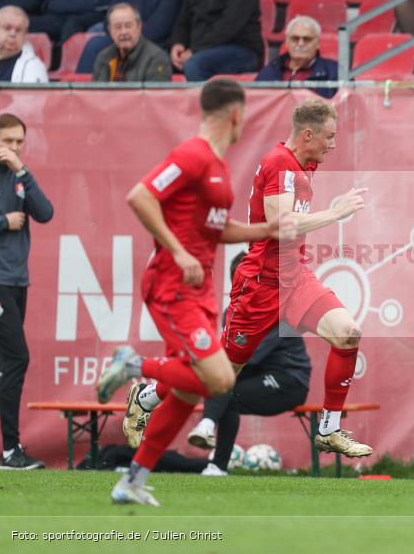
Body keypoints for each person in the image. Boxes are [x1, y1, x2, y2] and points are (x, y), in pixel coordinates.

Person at [123, 98, 372, 460]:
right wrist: (334, 214)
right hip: (260, 284)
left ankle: (329, 429)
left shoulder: (305, 161)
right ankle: (145, 398)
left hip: (296, 277)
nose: (333, 144)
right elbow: (280, 224)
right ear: (307, 135)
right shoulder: (278, 164)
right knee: (220, 372)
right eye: (329, 137)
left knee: (348, 334)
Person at [94, 79, 297, 506]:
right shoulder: (192, 155)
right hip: (174, 286)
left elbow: (216, 229)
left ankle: (131, 481)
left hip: (200, 291)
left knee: (188, 391)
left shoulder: (217, 165)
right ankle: (134, 365)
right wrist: (178, 250)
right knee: (219, 379)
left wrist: (266, 229)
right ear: (236, 114)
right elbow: (141, 197)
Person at [185, 251, 312, 476]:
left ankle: (207, 426)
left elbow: (248, 358)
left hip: (289, 381)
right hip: (255, 375)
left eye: (250, 281)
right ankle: (217, 465)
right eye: (238, 282)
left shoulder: (276, 311)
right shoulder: (231, 313)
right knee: (225, 388)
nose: (245, 288)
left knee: (226, 385)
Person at [0, 113, 54, 470]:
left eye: (20, 141)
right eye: (7, 141)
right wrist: (3, 222)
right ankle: (9, 451)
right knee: (17, 359)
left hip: (17, 280)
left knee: (1, 365)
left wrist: (22, 170)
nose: (15, 148)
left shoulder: (18, 177)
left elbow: (46, 212)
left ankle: (10, 450)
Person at [77, 0, 184, 73]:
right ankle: (77, 90)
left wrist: (127, 38)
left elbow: (160, 27)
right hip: (120, 40)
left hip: (153, 44)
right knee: (95, 44)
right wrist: (122, 37)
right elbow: (109, 20)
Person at [169, 0, 263, 81]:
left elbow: (229, 25)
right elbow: (184, 17)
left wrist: (194, 50)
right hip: (199, 48)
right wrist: (178, 43)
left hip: (241, 49)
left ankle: (206, 101)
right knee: (159, 62)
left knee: (195, 65)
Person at [255, 16, 338, 98]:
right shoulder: (271, 70)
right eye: (295, 39)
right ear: (287, 42)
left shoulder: (334, 72)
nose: (300, 44)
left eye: (307, 39)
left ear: (318, 43)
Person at [92, 3, 172, 82]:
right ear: (110, 30)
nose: (123, 32)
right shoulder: (103, 57)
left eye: (128, 26)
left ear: (139, 27)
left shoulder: (157, 58)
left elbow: (155, 94)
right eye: (117, 27)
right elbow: (94, 93)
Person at [0, 6, 48, 83]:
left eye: (18, 30)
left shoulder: (33, 67)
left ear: (25, 34)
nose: (13, 34)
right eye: (7, 28)